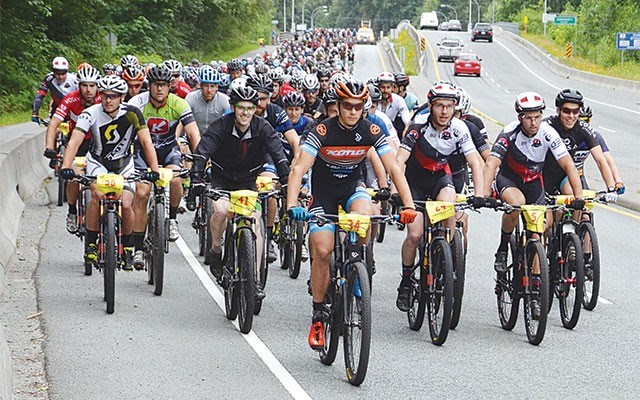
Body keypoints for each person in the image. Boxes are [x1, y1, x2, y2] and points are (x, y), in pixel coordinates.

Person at [286, 79, 417, 349]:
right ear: (339, 105)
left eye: (358, 107)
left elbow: (393, 167)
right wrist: (291, 206)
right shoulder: (322, 130)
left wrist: (408, 205)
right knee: (322, 250)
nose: (353, 112)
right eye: (347, 106)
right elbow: (298, 169)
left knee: (365, 215)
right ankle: (319, 315)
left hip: (351, 188)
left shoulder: (371, 130)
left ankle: (358, 265)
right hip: (323, 194)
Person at [482, 92, 583, 319]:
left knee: (538, 233)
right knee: (516, 205)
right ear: (520, 118)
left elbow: (568, 165)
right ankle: (503, 246)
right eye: (528, 118)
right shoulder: (509, 132)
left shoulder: (548, 133)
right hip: (510, 180)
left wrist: (578, 197)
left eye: (537, 117)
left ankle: (536, 291)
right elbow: (491, 164)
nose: (533, 122)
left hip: (534, 183)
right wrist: (483, 194)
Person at [190, 85, 290, 299]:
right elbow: (202, 153)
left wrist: (287, 184)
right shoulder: (220, 127)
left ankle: (254, 278)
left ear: (256, 109)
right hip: (222, 179)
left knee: (255, 218)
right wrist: (195, 181)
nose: (245, 113)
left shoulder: (263, 127)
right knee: (221, 211)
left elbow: (279, 155)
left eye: (250, 108)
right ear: (233, 108)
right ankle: (216, 250)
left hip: (248, 181)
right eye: (241, 108)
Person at [394, 82, 486, 312]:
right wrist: (397, 192)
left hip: (440, 178)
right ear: (431, 107)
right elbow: (399, 162)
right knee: (415, 235)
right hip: (414, 181)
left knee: (449, 207)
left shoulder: (459, 128)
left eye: (449, 106)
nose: (445, 111)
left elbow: (475, 161)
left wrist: (480, 194)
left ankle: (445, 255)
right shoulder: (418, 127)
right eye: (440, 106)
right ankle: (406, 281)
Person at [59, 75, 159, 269]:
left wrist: (154, 170)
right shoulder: (90, 113)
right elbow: (75, 141)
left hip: (124, 163)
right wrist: (66, 166)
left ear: (121, 97)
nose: (108, 100)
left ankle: (128, 245)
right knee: (96, 194)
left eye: (113, 96)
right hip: (98, 162)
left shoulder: (133, 113)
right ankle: (90, 243)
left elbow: (147, 142)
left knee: (127, 203)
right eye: (104, 96)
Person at [128, 65, 201, 266]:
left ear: (170, 87)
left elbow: (193, 133)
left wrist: (200, 160)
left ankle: (172, 219)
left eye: (164, 85)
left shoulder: (179, 103)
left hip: (169, 150)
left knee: (176, 179)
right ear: (149, 86)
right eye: (155, 85)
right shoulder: (137, 103)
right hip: (143, 152)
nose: (159, 89)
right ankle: (138, 248)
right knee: (141, 194)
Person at [44, 66, 102, 233]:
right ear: (79, 86)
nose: (88, 90)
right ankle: (72, 211)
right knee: (74, 178)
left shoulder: (103, 100)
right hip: (76, 143)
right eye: (85, 85)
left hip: (97, 144)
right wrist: (49, 146)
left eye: (92, 86)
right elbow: (54, 122)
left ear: (97, 87)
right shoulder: (71, 99)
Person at [542, 89, 618, 199]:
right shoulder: (546, 126)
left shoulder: (583, 128)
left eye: (575, 111)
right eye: (566, 111)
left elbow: (601, 160)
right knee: (549, 213)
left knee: (575, 198)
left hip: (566, 175)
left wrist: (611, 188)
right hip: (543, 174)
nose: (571, 116)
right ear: (558, 110)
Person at [577, 104, 624, 193]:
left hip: (578, 174)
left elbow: (607, 160)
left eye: (586, 121)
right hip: (559, 175)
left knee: (585, 202)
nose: (583, 125)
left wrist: (618, 182)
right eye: (580, 121)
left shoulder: (594, 136)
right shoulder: (566, 135)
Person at [185, 66, 231, 136]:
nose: (209, 90)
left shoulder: (224, 100)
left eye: (212, 86)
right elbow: (182, 120)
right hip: (194, 136)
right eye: (206, 86)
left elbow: (231, 121)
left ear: (217, 87)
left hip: (216, 138)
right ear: (201, 86)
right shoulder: (191, 97)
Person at [32, 57, 78, 123]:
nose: (60, 76)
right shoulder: (49, 79)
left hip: (73, 109)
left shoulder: (74, 79)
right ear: (53, 72)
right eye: (58, 73)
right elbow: (40, 95)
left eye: (63, 73)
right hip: (57, 108)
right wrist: (35, 112)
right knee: (53, 130)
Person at [376, 72, 411, 140]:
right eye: (383, 87)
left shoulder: (399, 100)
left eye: (388, 87)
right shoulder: (374, 100)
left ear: (392, 88)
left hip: (391, 130)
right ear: (378, 87)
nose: (385, 90)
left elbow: (407, 121)